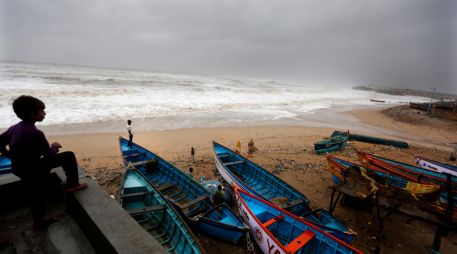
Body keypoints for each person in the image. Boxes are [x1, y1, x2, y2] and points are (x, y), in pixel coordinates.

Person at [0, 95, 87, 230]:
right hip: (32, 169)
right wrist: (55, 146)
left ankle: (40, 218)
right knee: (68, 156)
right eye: (42, 111)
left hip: (18, 168)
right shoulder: (35, 133)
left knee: (34, 193)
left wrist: (10, 156)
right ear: (32, 114)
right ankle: (72, 185)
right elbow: (49, 154)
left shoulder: (14, 128)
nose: (45, 113)